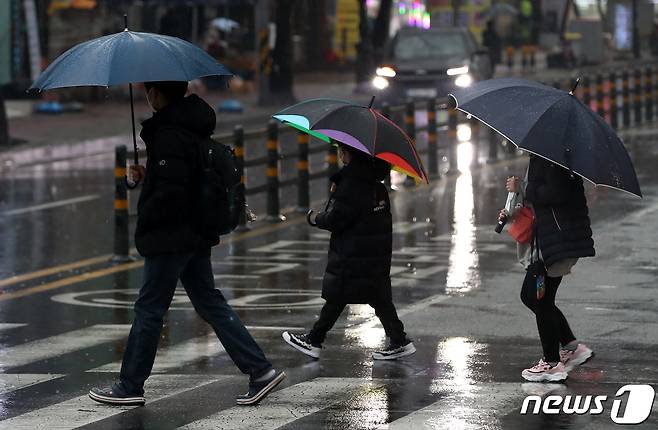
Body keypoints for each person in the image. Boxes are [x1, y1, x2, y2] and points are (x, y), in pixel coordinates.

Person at [89, 81, 284, 406]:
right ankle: (260, 370)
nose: (146, 96)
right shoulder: (188, 125)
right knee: (209, 303)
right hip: (193, 232)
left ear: (156, 94)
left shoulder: (168, 133)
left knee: (150, 309)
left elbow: (171, 193)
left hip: (172, 235)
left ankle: (130, 385)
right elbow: (183, 177)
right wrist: (147, 174)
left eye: (148, 90)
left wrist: (148, 216)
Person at [282, 143, 415, 361]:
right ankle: (399, 340)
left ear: (350, 154)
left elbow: (338, 219)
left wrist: (316, 218)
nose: (340, 153)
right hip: (374, 252)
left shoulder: (352, 183)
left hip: (354, 252)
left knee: (338, 295)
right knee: (378, 297)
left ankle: (314, 339)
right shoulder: (375, 182)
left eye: (342, 150)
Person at [502, 155, 595, 382]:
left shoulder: (555, 160)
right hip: (550, 241)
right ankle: (572, 347)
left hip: (553, 243)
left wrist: (522, 187)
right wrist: (512, 209)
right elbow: (538, 200)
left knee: (538, 298)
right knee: (535, 297)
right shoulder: (544, 158)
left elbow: (555, 193)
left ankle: (552, 363)